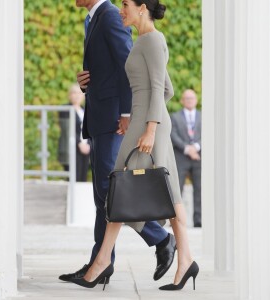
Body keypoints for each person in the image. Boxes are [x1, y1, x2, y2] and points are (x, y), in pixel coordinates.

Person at [69, 0, 199, 291]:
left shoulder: (153, 40)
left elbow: (157, 88)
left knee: (118, 190)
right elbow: (167, 89)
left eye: (126, 4)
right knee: (170, 194)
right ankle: (185, 258)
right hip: (147, 122)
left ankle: (103, 262)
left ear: (142, 7)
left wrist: (151, 126)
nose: (121, 9)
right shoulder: (144, 39)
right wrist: (151, 115)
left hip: (145, 127)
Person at [170, 90, 202, 227]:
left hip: (199, 157)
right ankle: (176, 220)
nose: (189, 100)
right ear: (182, 100)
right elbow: (173, 135)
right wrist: (188, 149)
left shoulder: (203, 116)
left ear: (196, 100)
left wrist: (196, 147)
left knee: (200, 189)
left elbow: (207, 133)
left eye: (192, 98)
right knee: (177, 189)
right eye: (186, 98)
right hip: (181, 157)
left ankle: (198, 220)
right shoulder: (174, 117)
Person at [58, 83, 90, 182]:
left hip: (86, 149)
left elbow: (89, 128)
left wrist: (89, 144)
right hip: (71, 148)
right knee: (72, 179)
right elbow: (67, 129)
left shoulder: (86, 110)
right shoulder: (65, 109)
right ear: (69, 95)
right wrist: (79, 143)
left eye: (80, 93)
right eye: (74, 93)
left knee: (82, 179)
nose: (77, 95)